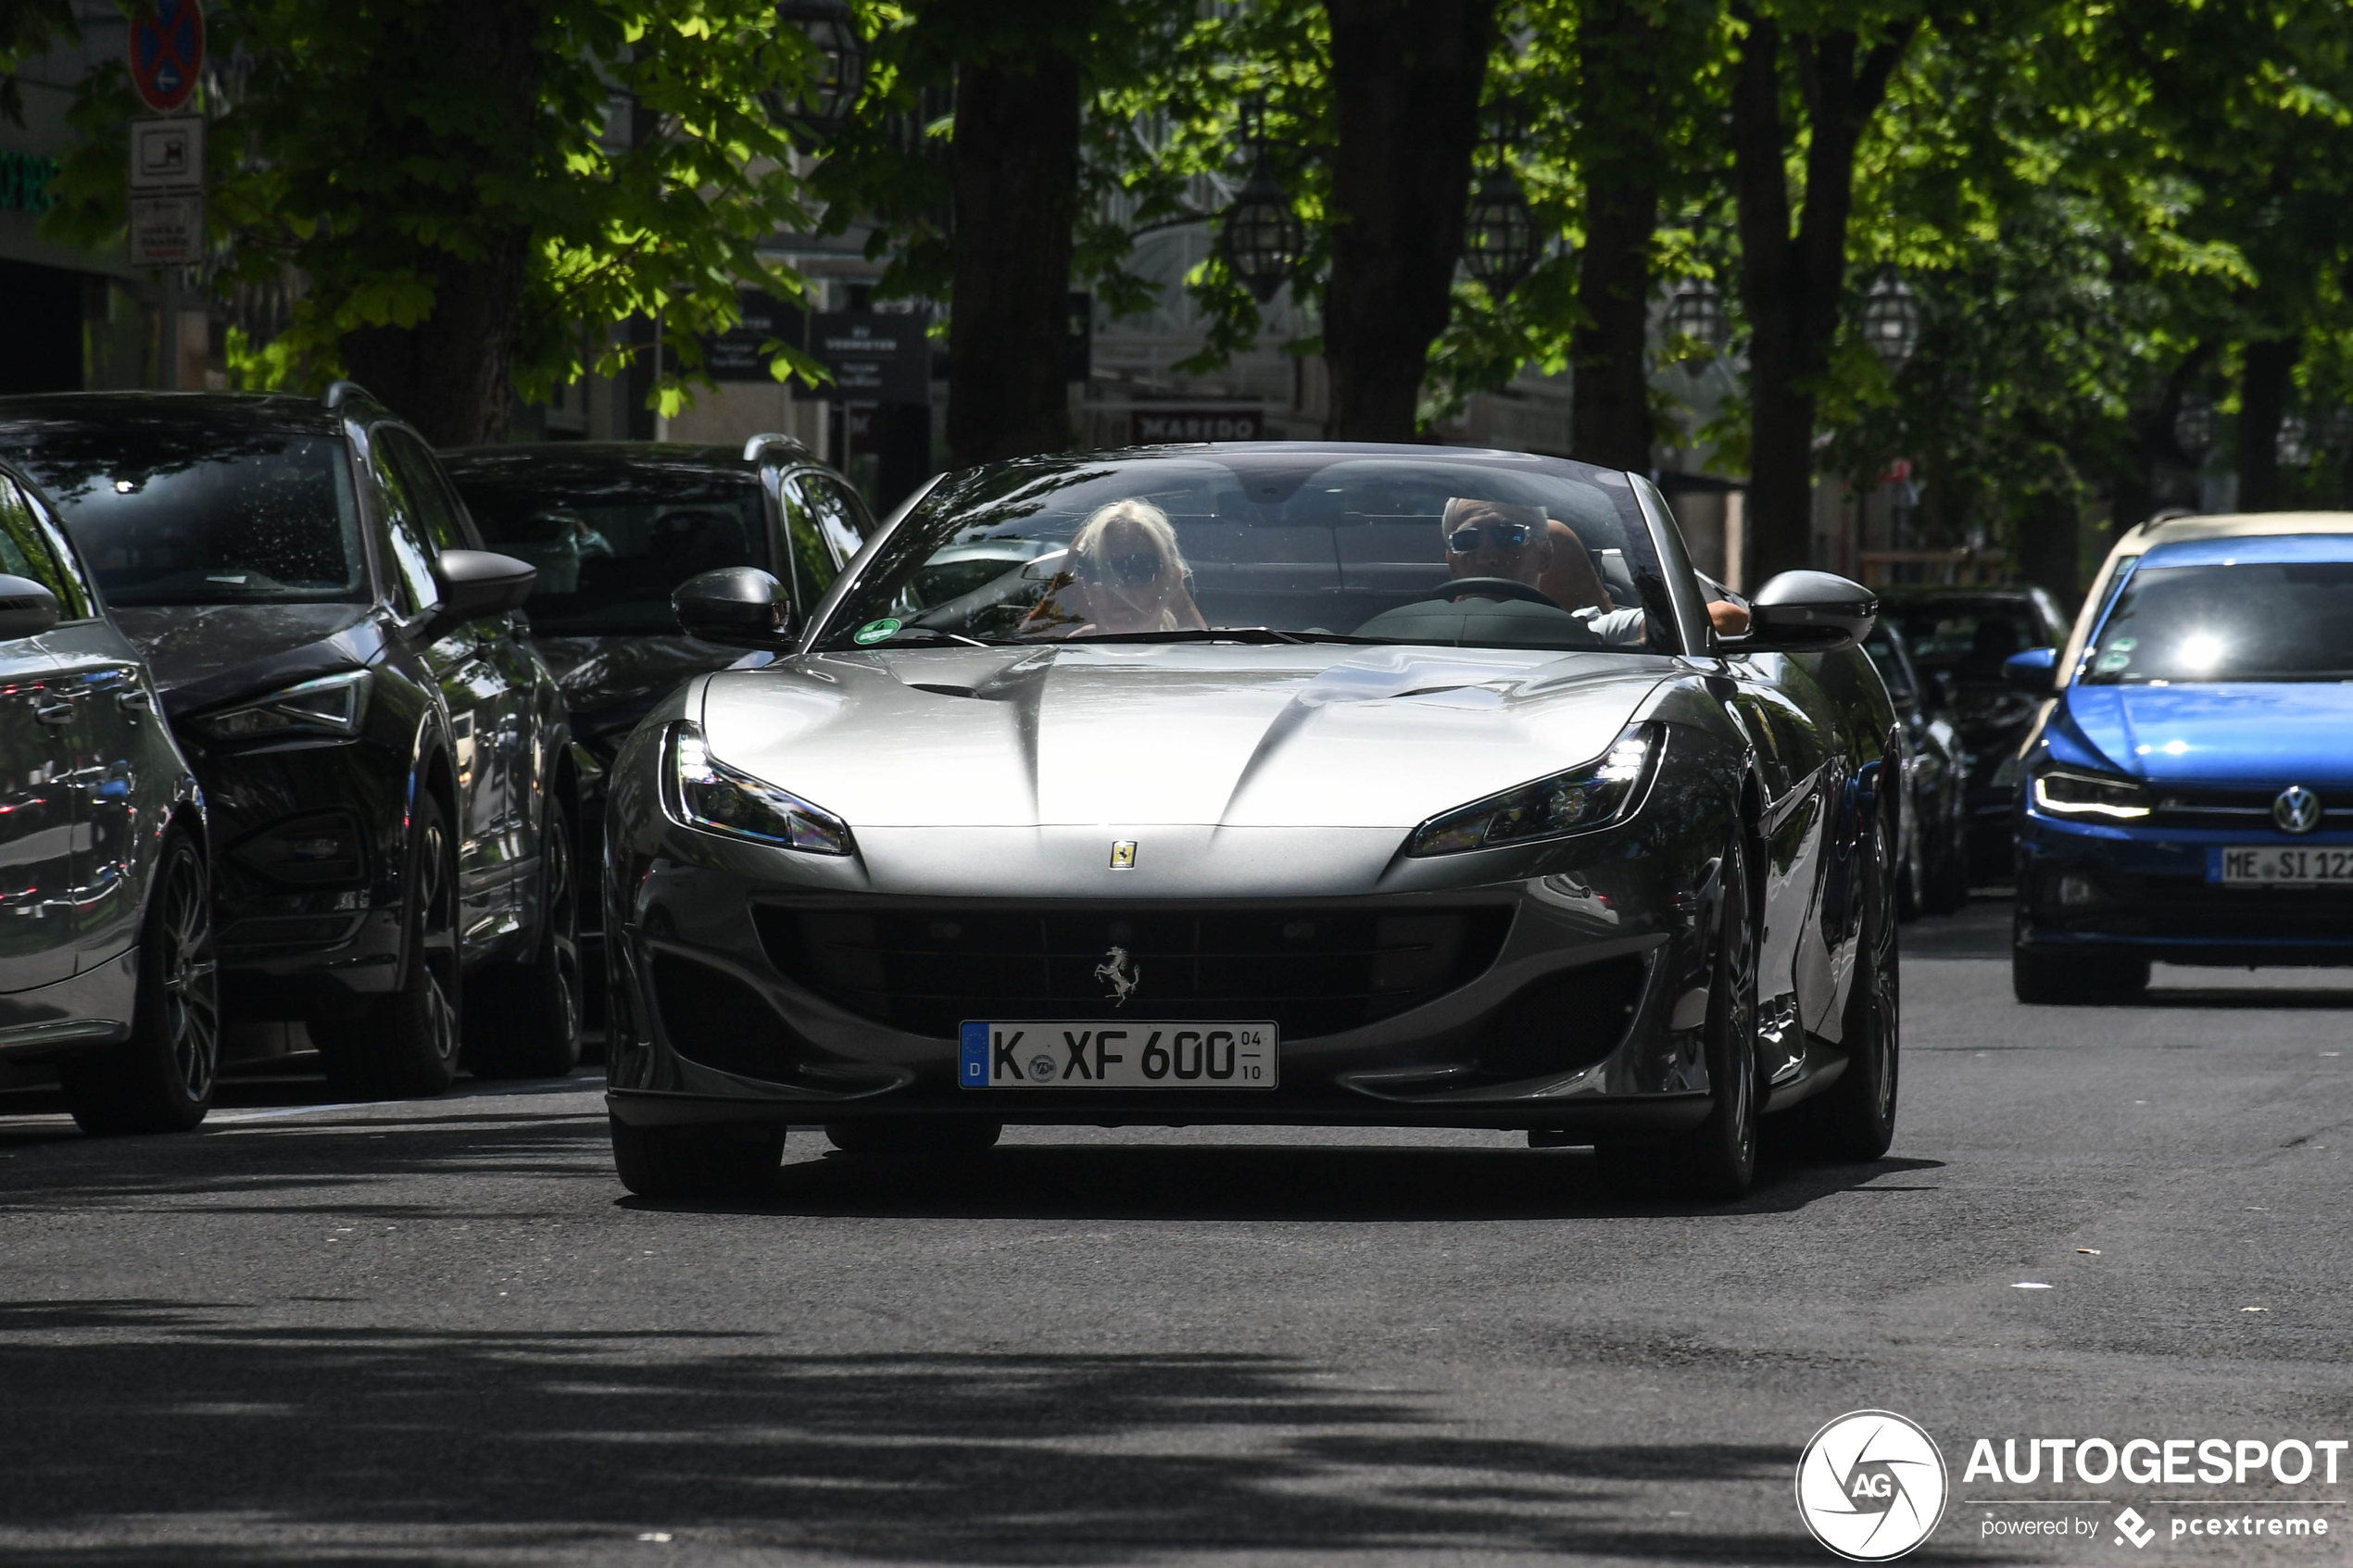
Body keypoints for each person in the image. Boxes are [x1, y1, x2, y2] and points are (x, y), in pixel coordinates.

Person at [1017, 497, 1208, 638]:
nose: (1116, 589)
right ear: (1083, 584)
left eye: (1137, 570)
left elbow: (1205, 648)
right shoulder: (1071, 652)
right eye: (1096, 571)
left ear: (1172, 580)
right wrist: (1072, 559)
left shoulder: (1196, 656)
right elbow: (1020, 649)